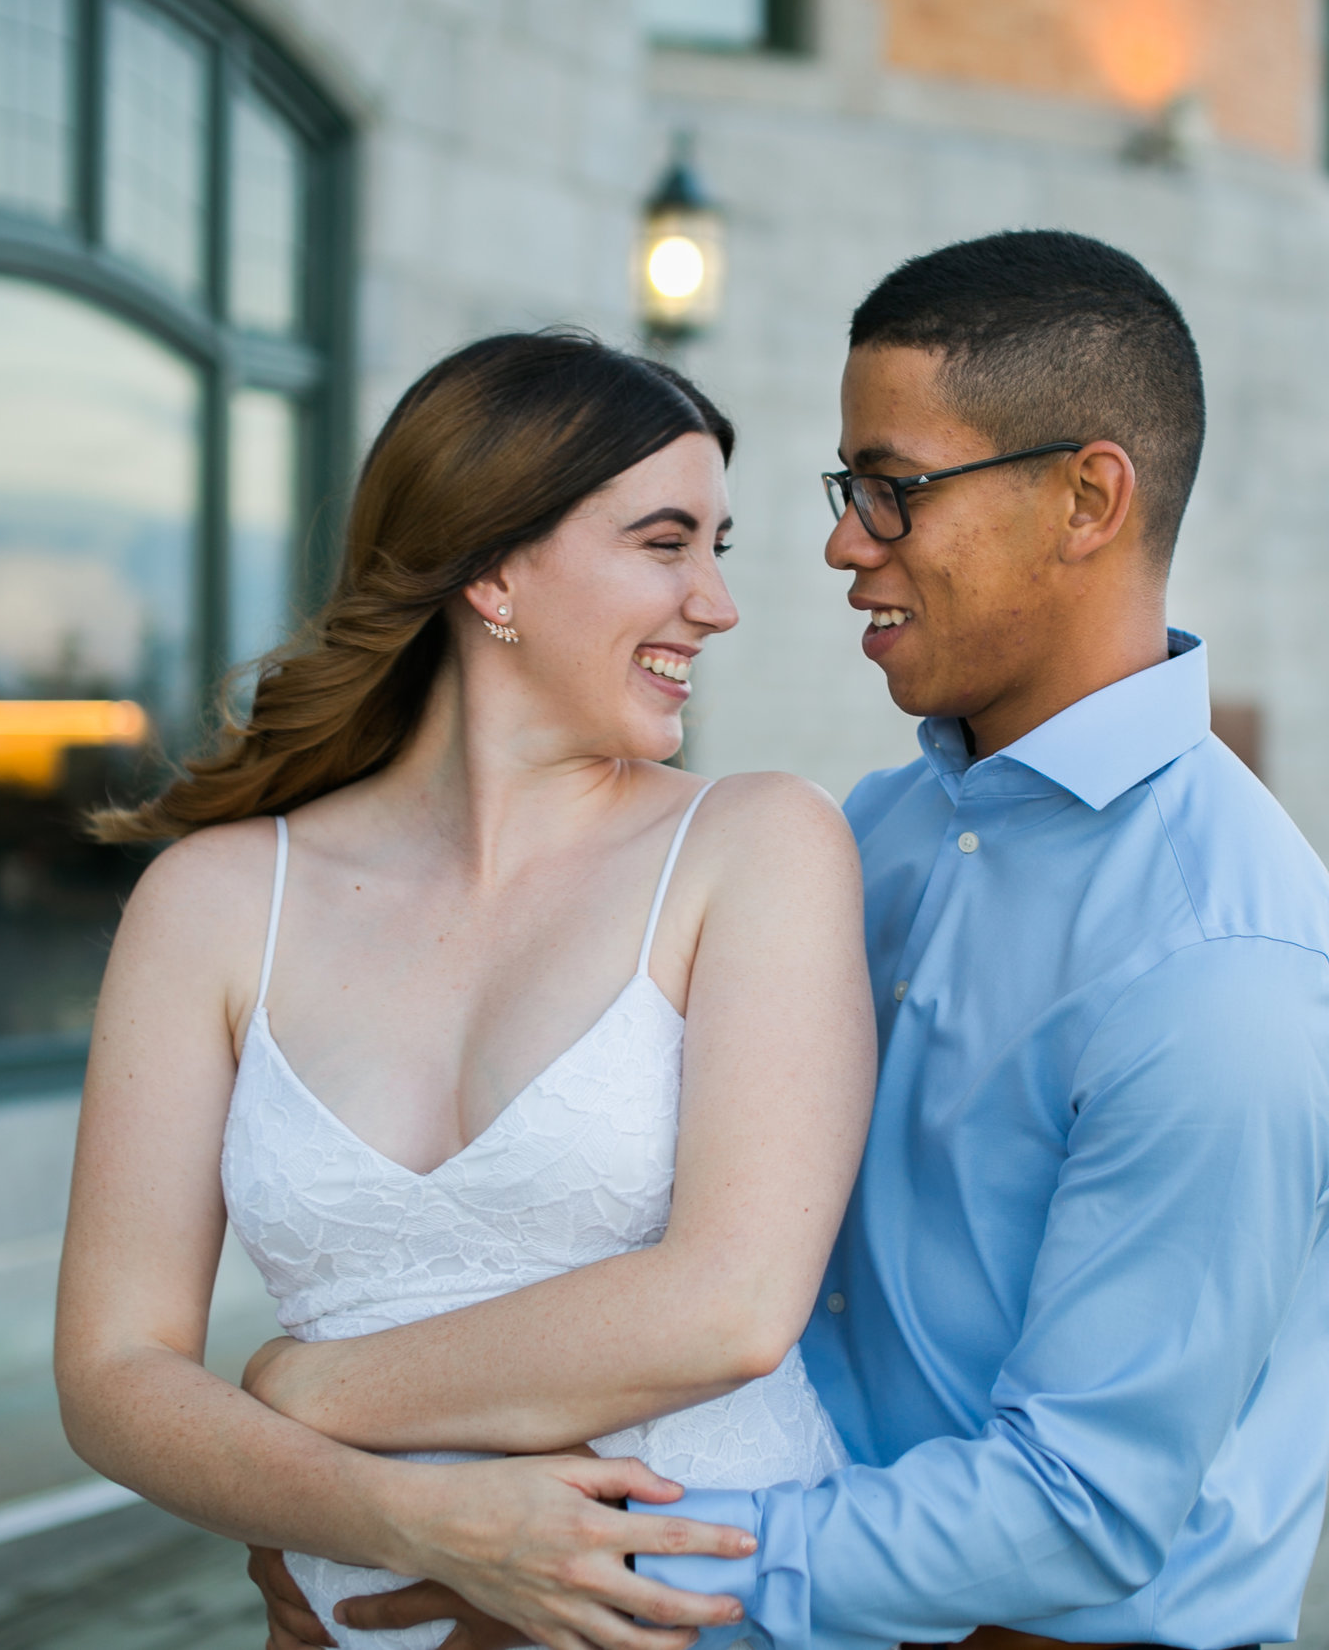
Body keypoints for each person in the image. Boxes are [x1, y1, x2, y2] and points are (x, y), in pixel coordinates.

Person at [250, 231, 1329, 1650]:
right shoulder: (873, 832)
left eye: (891, 491)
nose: (842, 542)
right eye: (844, 488)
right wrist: (373, 1504)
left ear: (1086, 497)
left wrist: (585, 1561)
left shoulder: (1235, 971)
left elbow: (1080, 1512)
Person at [54, 332, 882, 1650]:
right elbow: (110, 1371)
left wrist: (303, 1381)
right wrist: (407, 1520)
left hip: (709, 1611)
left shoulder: (757, 842)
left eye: (717, 547)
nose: (716, 603)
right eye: (668, 543)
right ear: (493, 568)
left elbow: (732, 1301)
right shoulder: (212, 902)